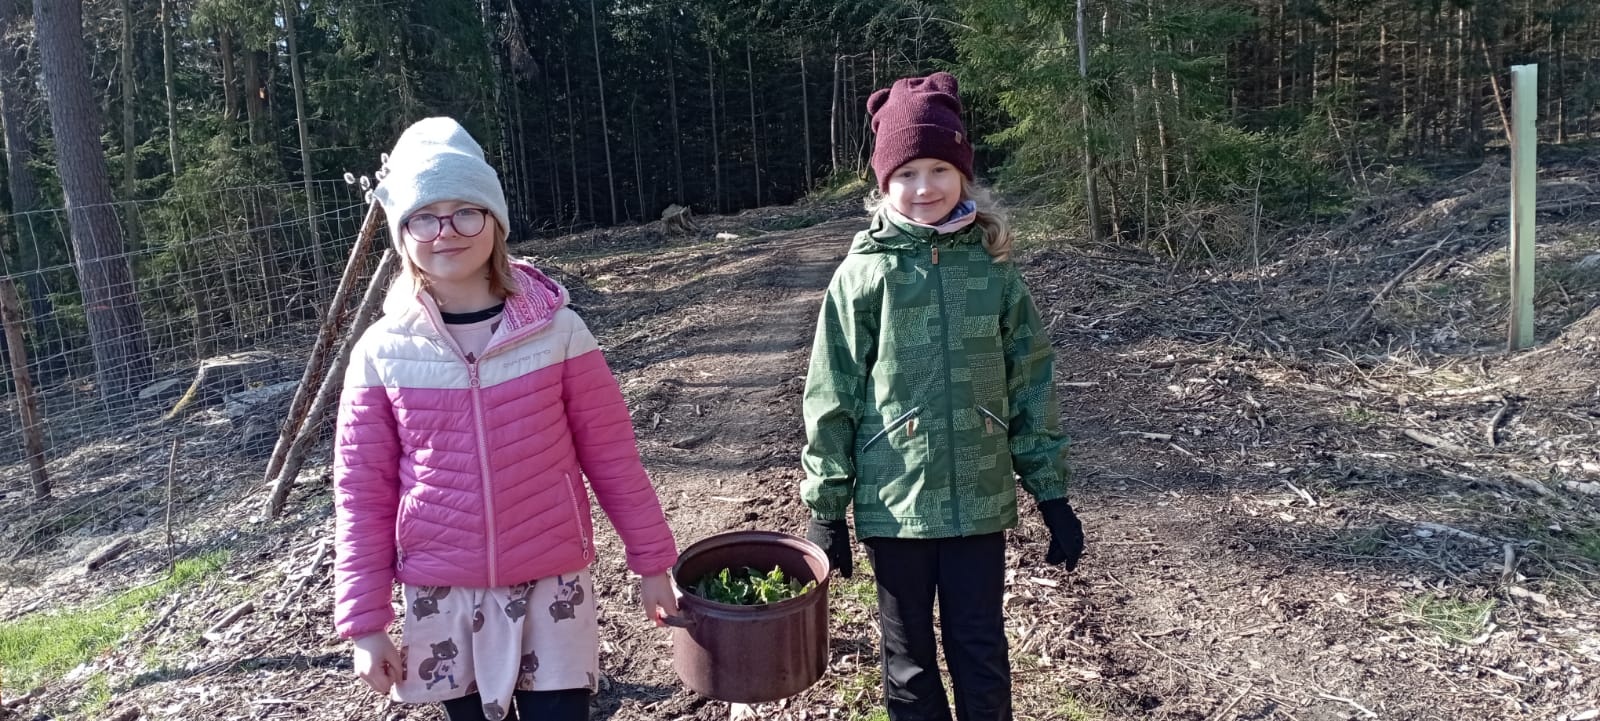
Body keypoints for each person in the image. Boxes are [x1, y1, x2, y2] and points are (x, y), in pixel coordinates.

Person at [332, 117, 679, 721]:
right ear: (402, 233)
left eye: (466, 212)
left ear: (495, 222)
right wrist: (366, 623)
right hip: (441, 596)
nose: (446, 231)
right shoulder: (381, 352)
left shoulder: (560, 332)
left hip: (553, 586)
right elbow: (361, 494)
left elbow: (613, 456)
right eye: (424, 217)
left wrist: (653, 563)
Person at [800, 73, 1087, 721]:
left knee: (980, 648)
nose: (924, 186)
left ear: (963, 175)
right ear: (883, 183)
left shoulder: (993, 271)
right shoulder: (863, 274)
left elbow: (1031, 380)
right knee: (907, 660)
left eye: (939, 169)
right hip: (894, 504)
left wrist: (1052, 493)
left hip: (980, 501)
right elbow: (831, 394)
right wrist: (827, 508)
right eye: (907, 173)